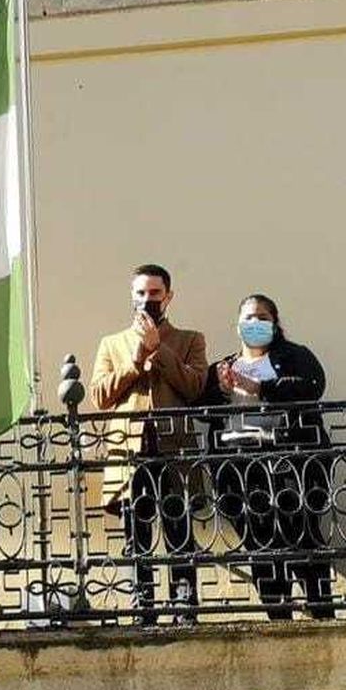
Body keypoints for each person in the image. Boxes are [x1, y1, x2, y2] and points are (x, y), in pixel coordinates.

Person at [202, 294, 333, 621]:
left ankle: (321, 611)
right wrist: (219, 390)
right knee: (260, 542)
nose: (254, 323)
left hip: (291, 463)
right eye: (248, 317)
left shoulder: (296, 356)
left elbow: (311, 387)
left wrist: (260, 387)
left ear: (275, 323)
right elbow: (200, 405)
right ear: (237, 325)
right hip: (240, 468)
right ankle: (279, 616)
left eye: (262, 317)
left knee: (303, 536)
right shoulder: (224, 366)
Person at [90, 263, 209, 623]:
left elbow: (195, 387)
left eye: (155, 293)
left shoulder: (191, 339)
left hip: (174, 448)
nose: (147, 299)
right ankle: (144, 605)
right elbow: (99, 396)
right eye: (141, 293)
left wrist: (160, 351)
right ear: (132, 295)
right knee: (136, 530)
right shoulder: (112, 343)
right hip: (130, 450)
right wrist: (137, 358)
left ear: (168, 296)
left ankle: (184, 605)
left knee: (179, 527)